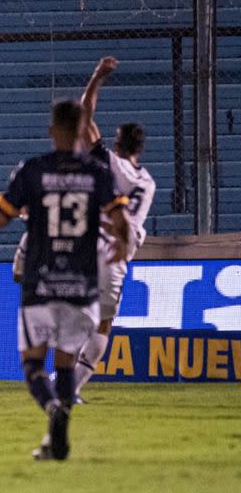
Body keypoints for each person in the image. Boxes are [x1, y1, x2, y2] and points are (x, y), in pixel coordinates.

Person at [0, 99, 129, 460]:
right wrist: (122, 242)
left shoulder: (32, 170)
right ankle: (57, 439)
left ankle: (52, 409)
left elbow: (0, 218)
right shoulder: (98, 173)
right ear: (83, 128)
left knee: (34, 364)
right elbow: (121, 220)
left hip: (40, 282)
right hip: (80, 285)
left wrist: (11, 207)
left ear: (52, 129)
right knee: (66, 362)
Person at [74, 57, 156, 400]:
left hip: (90, 243)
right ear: (140, 148)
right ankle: (71, 386)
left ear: (118, 145)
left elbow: (83, 116)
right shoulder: (149, 183)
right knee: (103, 323)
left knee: (75, 312)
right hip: (117, 256)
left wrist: (97, 76)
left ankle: (61, 378)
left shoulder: (109, 161)